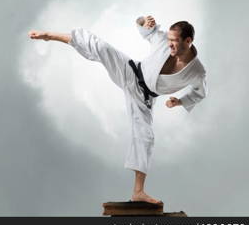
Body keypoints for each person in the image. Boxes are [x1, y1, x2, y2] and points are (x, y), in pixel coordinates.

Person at [28, 16, 208, 204]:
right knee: (102, 48)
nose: (169, 44)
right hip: (130, 71)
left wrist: (179, 102)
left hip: (143, 98)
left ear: (188, 41)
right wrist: (142, 21)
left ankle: (138, 192)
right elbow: (146, 29)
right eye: (169, 39)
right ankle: (50, 35)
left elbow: (200, 93)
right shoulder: (163, 41)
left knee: (145, 137)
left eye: (174, 41)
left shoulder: (197, 71)